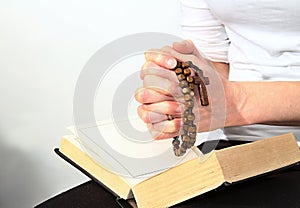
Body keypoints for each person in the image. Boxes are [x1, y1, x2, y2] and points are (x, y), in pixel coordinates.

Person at [135, 0, 300, 143]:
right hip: (240, 142)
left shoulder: (236, 102)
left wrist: (237, 103)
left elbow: (231, 100)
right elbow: (218, 64)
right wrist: (186, 84)